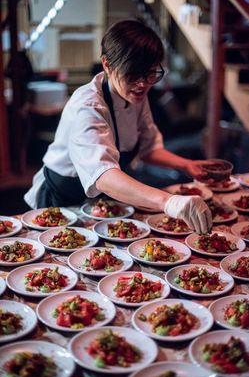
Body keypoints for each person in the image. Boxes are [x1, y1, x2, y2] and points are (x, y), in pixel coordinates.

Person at [24, 19, 212, 234]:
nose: (142, 84)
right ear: (107, 64)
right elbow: (103, 176)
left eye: (150, 73)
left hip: (105, 202)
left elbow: (149, 148)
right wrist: (169, 202)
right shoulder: (87, 106)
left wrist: (187, 165)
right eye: (132, 74)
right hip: (63, 200)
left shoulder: (136, 94)